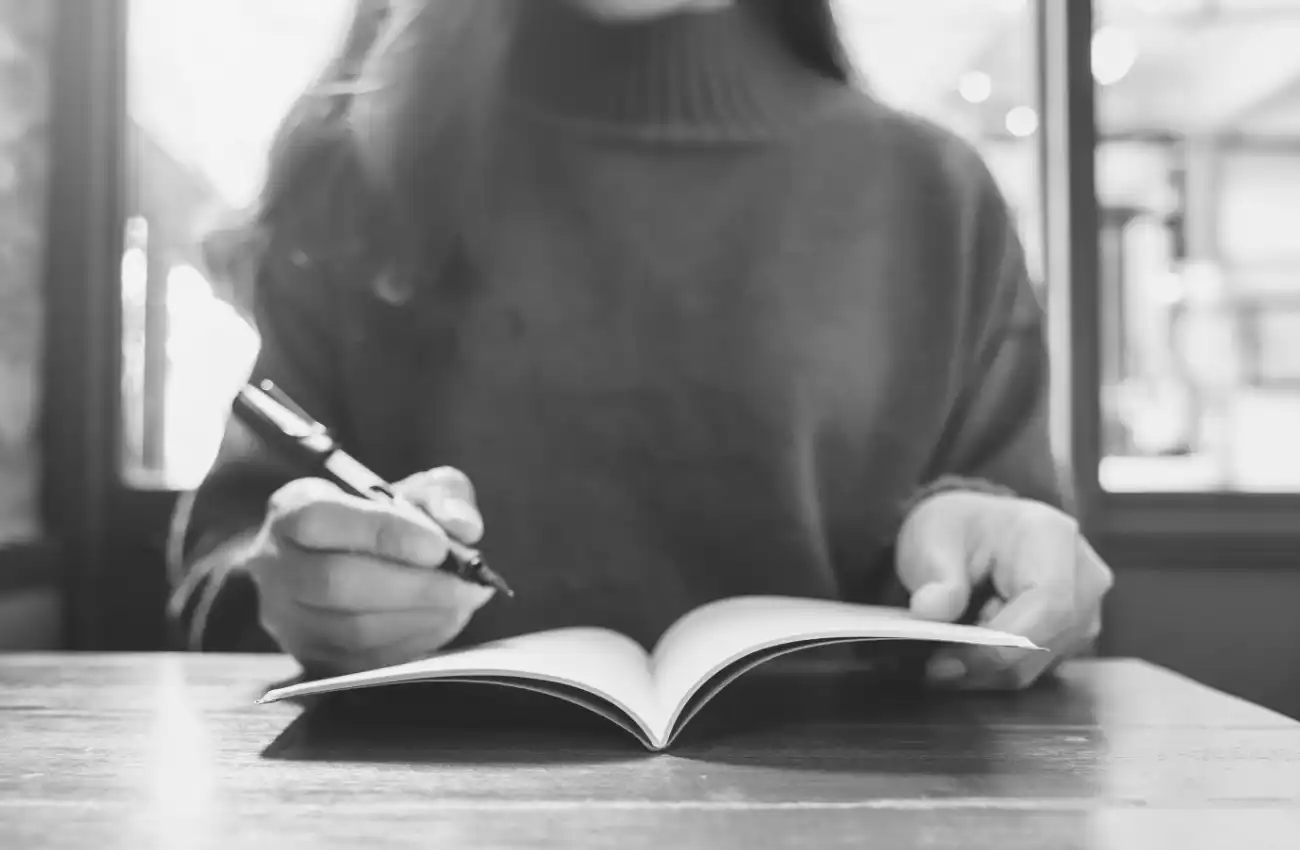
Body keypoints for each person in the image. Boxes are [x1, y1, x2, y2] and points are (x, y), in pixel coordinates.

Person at [168, 0, 1113, 692]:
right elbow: (225, 572)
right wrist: (297, 593)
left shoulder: (935, 196)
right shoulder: (357, 169)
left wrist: (1001, 576)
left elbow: (1032, 600)